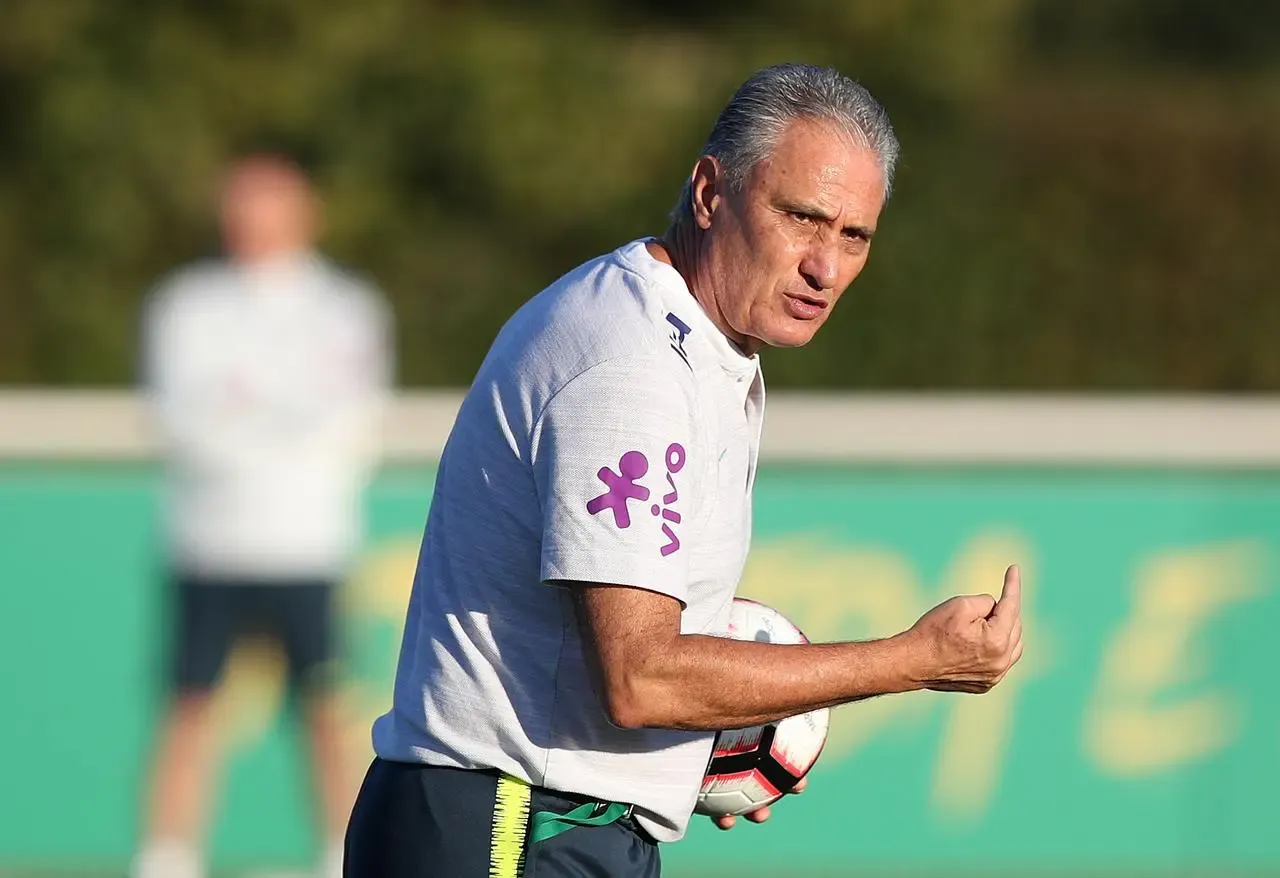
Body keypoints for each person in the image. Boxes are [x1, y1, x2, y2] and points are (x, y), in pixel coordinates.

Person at [344, 63, 1023, 878]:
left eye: (855, 236)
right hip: (507, 830)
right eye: (803, 218)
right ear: (710, 191)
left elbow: (623, 674)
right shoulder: (630, 363)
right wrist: (911, 660)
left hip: (551, 822)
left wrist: (706, 750)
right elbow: (641, 678)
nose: (827, 267)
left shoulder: (694, 344)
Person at [134, 154, 394, 878]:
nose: (250, 220)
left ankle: (340, 858)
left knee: (324, 709)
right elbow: (181, 419)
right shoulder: (187, 304)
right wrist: (266, 425)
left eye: (267, 204)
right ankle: (166, 858)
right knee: (189, 705)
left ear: (304, 213)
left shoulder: (344, 307)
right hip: (208, 543)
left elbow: (350, 422)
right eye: (240, 204)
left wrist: (251, 415)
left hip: (307, 543)